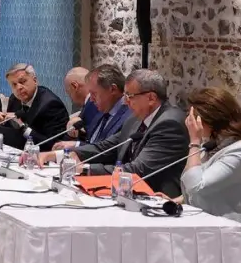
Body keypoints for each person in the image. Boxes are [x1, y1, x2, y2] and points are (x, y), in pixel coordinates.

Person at [61, 68, 189, 196]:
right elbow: (107, 147)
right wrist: (71, 153)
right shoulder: (136, 118)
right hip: (129, 194)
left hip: (158, 200)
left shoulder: (170, 124)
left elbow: (138, 170)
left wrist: (85, 169)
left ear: (151, 98)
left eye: (130, 96)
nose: (125, 101)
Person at [178, 86, 241, 223]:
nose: (191, 123)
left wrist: (194, 142)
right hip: (204, 223)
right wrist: (176, 201)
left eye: (195, 118)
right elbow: (204, 187)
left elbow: (197, 187)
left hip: (228, 227)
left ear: (212, 119)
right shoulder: (212, 145)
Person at [0, 63, 70, 150]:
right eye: (14, 84)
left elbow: (54, 145)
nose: (18, 88)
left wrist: (23, 128)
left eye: (22, 81)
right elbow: (10, 130)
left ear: (35, 80)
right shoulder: (14, 99)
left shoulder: (51, 104)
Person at [56, 64, 130, 148]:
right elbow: (92, 142)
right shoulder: (103, 110)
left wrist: (77, 145)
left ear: (112, 89)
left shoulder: (129, 118)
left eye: (94, 94)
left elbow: (108, 151)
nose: (91, 99)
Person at [61, 66, 100, 139]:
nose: (70, 98)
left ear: (75, 86)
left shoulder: (92, 105)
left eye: (68, 92)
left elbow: (91, 139)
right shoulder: (89, 105)